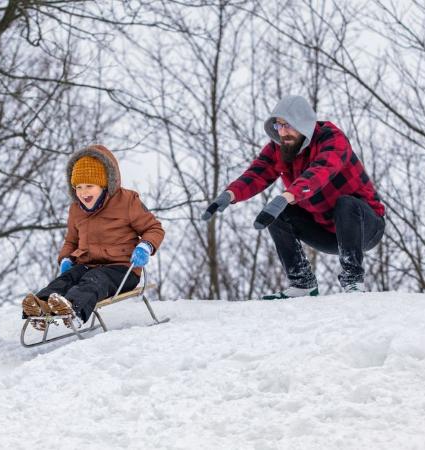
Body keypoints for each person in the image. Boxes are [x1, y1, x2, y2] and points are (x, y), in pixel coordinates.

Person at [203, 95, 385, 298]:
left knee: (345, 203)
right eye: (279, 126)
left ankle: (353, 281)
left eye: (287, 125)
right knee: (277, 213)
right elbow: (257, 174)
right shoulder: (280, 148)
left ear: (303, 123)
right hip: (326, 232)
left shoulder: (332, 139)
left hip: (364, 228)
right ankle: (302, 283)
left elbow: (321, 171)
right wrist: (230, 194)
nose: (282, 132)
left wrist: (288, 195)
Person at [22, 144, 165, 329]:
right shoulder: (76, 210)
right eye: (78, 187)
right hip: (87, 264)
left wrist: (145, 246)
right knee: (67, 279)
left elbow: (154, 228)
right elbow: (71, 241)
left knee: (94, 280)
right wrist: (65, 259)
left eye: (89, 186)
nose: (83, 192)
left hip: (122, 269)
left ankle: (73, 309)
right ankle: (40, 308)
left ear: (104, 184)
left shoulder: (127, 201)